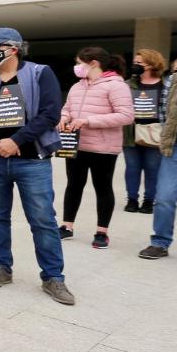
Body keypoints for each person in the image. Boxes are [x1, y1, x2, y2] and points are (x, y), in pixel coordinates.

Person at [0, 27, 74, 305]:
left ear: (13, 49)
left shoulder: (39, 73)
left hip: (31, 161)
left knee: (42, 220)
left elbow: (50, 113)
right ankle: (1, 267)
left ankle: (53, 277)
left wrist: (16, 140)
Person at [57, 48, 133, 249]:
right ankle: (67, 226)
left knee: (103, 187)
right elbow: (67, 108)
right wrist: (64, 118)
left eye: (79, 62)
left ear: (93, 64)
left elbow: (126, 115)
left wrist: (88, 121)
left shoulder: (116, 86)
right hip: (76, 145)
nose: (77, 67)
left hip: (103, 147)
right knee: (73, 185)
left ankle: (102, 232)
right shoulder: (77, 87)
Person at [140, 39, 177, 260]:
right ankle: (160, 242)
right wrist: (168, 136)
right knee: (164, 196)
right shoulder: (175, 80)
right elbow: (164, 111)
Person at [123, 49, 167, 214]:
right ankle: (132, 199)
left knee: (152, 167)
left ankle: (149, 200)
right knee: (132, 166)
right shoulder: (128, 84)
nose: (136, 65)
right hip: (130, 131)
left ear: (152, 64)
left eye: (139, 63)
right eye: (135, 62)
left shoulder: (164, 85)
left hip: (155, 132)